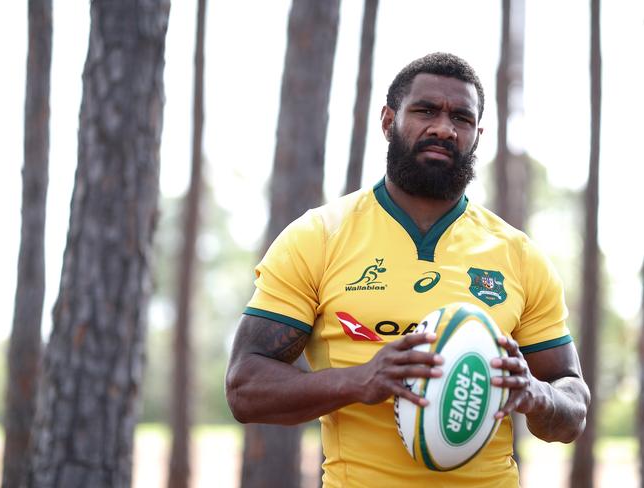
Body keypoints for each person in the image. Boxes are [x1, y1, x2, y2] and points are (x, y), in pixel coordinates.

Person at [225, 52, 590, 487]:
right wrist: (359, 380)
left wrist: (537, 394)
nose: (443, 127)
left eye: (462, 117)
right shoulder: (319, 236)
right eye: (425, 110)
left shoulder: (519, 255)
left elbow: (572, 408)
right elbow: (245, 389)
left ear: (477, 135)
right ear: (387, 121)